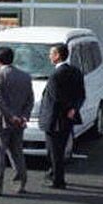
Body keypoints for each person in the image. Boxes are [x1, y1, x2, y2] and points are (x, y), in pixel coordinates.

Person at [0, 46, 34, 196]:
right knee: (17, 153)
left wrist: (10, 116)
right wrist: (23, 116)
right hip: (19, 122)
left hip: (1, 121)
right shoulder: (25, 76)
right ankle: (20, 184)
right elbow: (30, 99)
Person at [38, 43, 85, 189]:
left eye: (51, 53)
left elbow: (57, 97)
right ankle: (54, 174)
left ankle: (58, 180)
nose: (49, 56)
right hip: (68, 118)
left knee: (54, 151)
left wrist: (68, 108)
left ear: (57, 56)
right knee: (61, 149)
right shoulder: (76, 71)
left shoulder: (55, 75)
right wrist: (74, 108)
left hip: (54, 118)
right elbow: (81, 94)